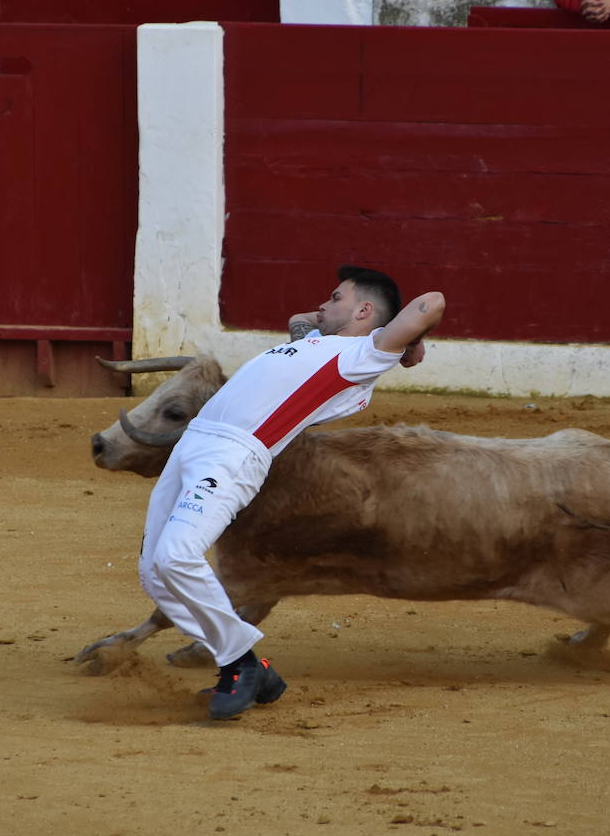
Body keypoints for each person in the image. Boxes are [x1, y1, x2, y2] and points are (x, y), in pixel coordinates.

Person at [139, 266, 445, 720]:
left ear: (364, 310)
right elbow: (303, 318)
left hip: (232, 454)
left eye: (336, 297)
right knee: (154, 572)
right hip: (195, 445)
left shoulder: (361, 353)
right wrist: (355, 324)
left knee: (176, 557)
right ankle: (247, 662)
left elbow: (431, 301)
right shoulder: (316, 342)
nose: (323, 304)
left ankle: (239, 663)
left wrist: (406, 340)